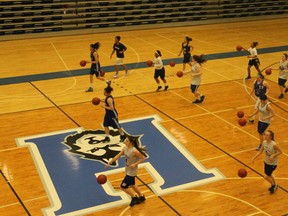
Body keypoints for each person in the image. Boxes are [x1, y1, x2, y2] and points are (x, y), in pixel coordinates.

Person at [105, 136, 147, 206]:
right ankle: (141, 196)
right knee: (132, 184)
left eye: (126, 140)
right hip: (127, 168)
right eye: (125, 140)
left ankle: (134, 197)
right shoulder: (125, 148)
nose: (125, 141)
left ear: (131, 142)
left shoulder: (134, 151)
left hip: (132, 171)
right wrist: (110, 162)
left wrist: (135, 164)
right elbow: (117, 156)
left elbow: (143, 158)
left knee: (123, 187)